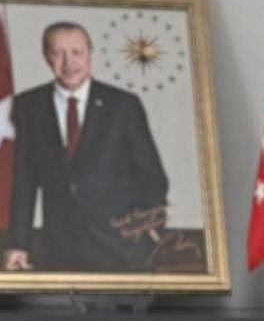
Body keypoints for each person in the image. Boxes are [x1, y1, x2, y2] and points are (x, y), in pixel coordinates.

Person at [2, 21, 169, 272]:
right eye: (58, 54)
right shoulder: (29, 106)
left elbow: (152, 175)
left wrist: (146, 228)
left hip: (125, 250)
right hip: (61, 248)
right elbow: (23, 183)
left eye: (77, 52)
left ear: (90, 54)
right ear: (46, 57)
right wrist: (18, 243)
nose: (69, 62)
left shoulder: (123, 105)